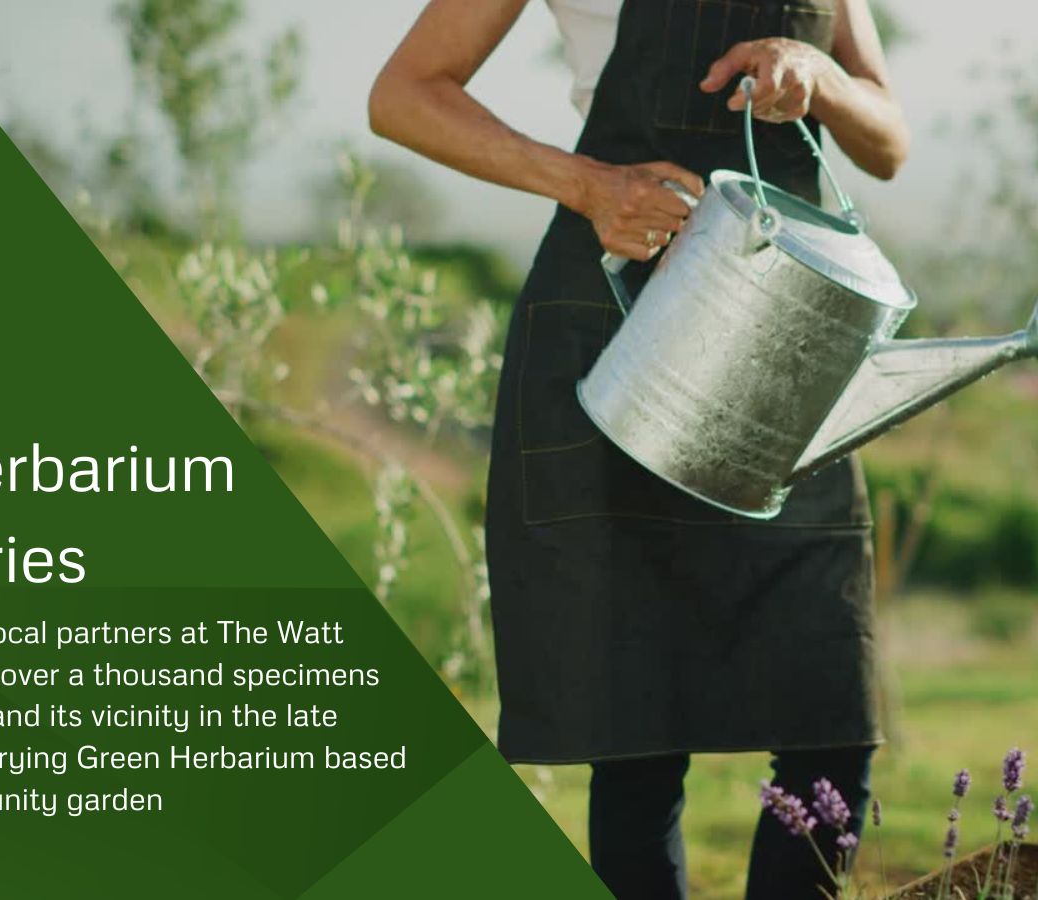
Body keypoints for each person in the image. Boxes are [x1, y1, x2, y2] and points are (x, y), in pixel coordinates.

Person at [368, 1, 909, 897]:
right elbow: (403, 95)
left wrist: (821, 80)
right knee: (637, 732)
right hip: (621, 311)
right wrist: (587, 186)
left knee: (831, 711)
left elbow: (888, 141)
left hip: (793, 334)